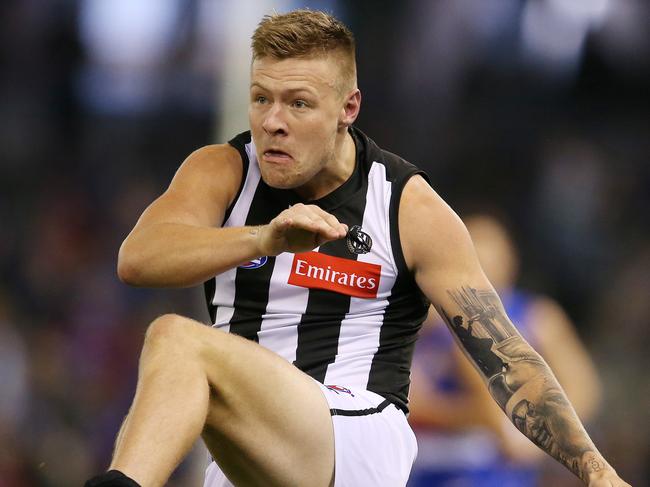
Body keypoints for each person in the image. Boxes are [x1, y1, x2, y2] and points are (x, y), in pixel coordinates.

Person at [85, 9, 630, 487]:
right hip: (251, 447)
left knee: (175, 338)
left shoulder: (408, 207)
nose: (272, 123)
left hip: (357, 437)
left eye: (298, 104)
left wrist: (595, 470)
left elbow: (507, 357)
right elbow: (138, 259)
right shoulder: (223, 171)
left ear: (348, 108)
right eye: (261, 99)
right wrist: (262, 239)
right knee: (182, 354)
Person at [407, 213, 603, 486]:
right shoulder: (426, 318)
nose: (483, 261)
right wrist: (481, 418)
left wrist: (546, 440)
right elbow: (409, 402)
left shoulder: (537, 316)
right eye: (473, 248)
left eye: (491, 252)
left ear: (510, 260)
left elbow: (582, 387)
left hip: (497, 468)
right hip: (431, 462)